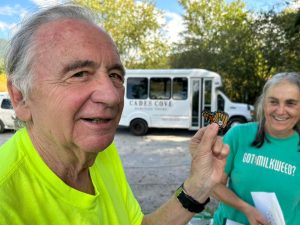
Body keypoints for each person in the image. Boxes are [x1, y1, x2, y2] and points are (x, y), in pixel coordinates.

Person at [0, 4, 229, 225]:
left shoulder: (101, 153)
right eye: (79, 74)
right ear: (20, 97)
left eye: (115, 75)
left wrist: (199, 185)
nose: (112, 96)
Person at [212, 72, 300, 225]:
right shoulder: (238, 135)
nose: (280, 111)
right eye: (273, 102)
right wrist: (246, 209)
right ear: (263, 104)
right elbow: (212, 185)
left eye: (290, 103)